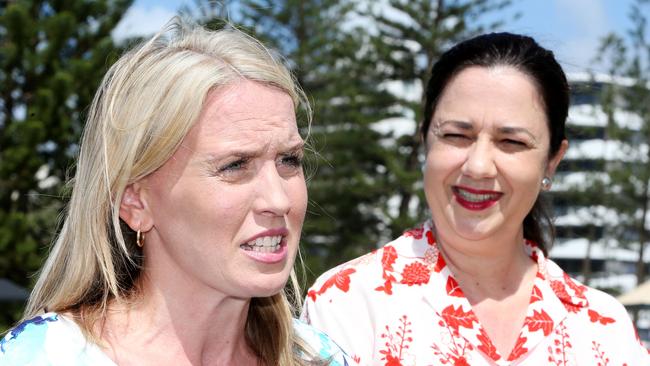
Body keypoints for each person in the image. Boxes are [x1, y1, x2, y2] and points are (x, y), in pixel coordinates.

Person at [0, 19, 353, 366]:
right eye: (235, 165)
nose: (278, 200)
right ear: (134, 201)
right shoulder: (41, 357)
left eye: (289, 160)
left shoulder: (318, 357)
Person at [302, 32, 649, 365]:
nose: (479, 165)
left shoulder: (604, 328)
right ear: (425, 140)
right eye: (456, 135)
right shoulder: (349, 303)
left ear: (552, 161)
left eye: (511, 142)